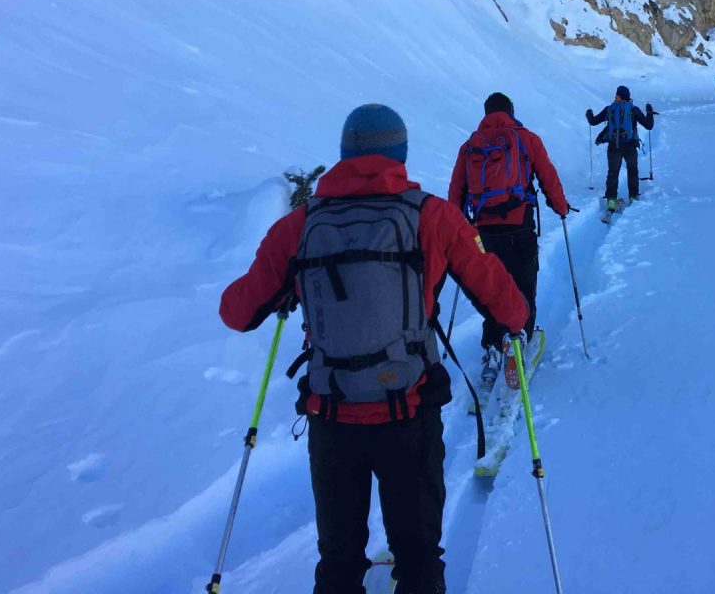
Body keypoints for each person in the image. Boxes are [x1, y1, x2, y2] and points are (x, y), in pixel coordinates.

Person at [219, 104, 528, 594]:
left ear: (344, 154)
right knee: (419, 554)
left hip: (332, 413)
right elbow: (506, 305)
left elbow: (236, 312)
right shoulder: (432, 216)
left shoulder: (299, 227)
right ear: (399, 155)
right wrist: (516, 320)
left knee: (339, 561)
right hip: (409, 409)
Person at [448, 92, 570, 389]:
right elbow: (548, 177)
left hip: (485, 231)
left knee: (491, 288)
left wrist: (457, 228)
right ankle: (519, 340)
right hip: (520, 226)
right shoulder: (526, 138)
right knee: (523, 283)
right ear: (511, 111)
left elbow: (456, 192)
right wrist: (561, 207)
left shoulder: (470, 146)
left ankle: (491, 348)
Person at [586, 85, 655, 213]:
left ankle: (611, 200)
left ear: (620, 96)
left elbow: (593, 121)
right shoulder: (633, 110)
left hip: (613, 146)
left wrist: (589, 114)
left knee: (613, 173)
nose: (614, 96)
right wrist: (649, 112)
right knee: (632, 171)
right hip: (630, 145)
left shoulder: (609, 109)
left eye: (616, 94)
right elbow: (649, 125)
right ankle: (633, 197)